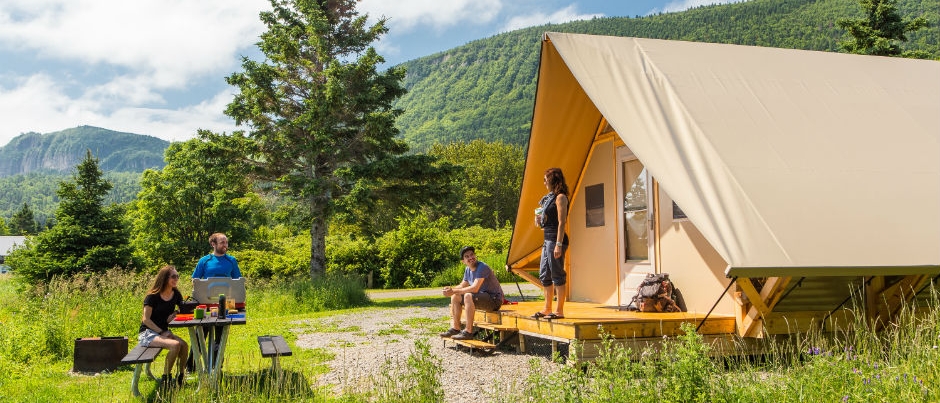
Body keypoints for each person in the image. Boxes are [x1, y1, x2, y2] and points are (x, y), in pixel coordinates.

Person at [191, 232, 241, 368]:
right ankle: (191, 367)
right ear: (213, 244)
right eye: (222, 242)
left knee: (219, 336)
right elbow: (195, 281)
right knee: (200, 335)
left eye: (226, 242)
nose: (225, 245)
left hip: (226, 304)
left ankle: (216, 366)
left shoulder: (232, 260)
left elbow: (238, 282)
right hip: (205, 304)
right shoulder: (204, 261)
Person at [138, 265, 189, 387]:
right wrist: (161, 332)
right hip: (148, 333)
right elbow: (146, 319)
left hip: (164, 331)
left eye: (177, 276)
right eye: (173, 276)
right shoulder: (152, 296)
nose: (176, 279)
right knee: (175, 345)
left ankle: (180, 376)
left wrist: (175, 313)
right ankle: (166, 378)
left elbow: (183, 308)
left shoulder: (175, 293)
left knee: (184, 345)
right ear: (165, 278)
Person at [439, 246, 504, 341]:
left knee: (468, 295)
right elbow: (462, 285)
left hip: (494, 300)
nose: (470, 258)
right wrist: (450, 290)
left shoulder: (482, 267)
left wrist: (453, 290)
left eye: (472, 255)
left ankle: (468, 332)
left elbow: (475, 288)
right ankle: (456, 328)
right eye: (467, 256)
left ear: (475, 255)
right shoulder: (467, 269)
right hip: (482, 298)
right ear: (463, 261)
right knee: (455, 297)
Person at [532, 167, 569, 320]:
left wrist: (558, 244)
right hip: (547, 239)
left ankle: (559, 311)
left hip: (556, 240)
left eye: (546, 180)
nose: (544, 183)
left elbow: (561, 222)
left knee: (557, 275)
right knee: (544, 274)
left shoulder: (561, 197)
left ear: (553, 181)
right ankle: (547, 308)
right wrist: (539, 220)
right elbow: (548, 220)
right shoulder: (549, 198)